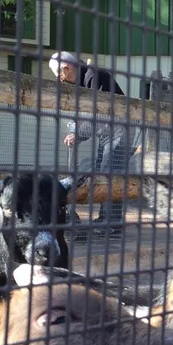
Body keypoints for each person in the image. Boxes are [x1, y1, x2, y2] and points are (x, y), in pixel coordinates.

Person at [50, 51, 137, 225]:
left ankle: (111, 223)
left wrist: (79, 134)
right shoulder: (84, 80)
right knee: (102, 174)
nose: (60, 79)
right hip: (107, 134)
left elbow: (100, 114)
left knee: (108, 174)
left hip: (119, 132)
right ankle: (106, 219)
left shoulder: (93, 76)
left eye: (59, 75)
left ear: (66, 68)